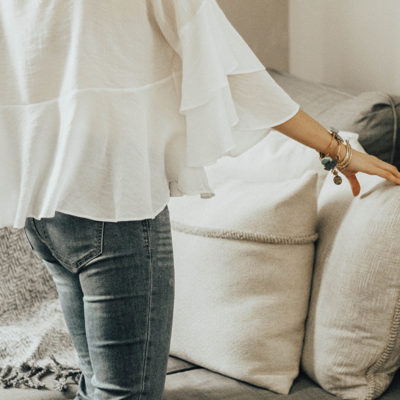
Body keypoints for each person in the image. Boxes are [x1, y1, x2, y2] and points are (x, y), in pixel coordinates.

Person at [1, 1, 399, 399]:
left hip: (45, 209)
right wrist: (340, 151)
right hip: (115, 201)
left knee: (98, 388)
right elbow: (236, 72)